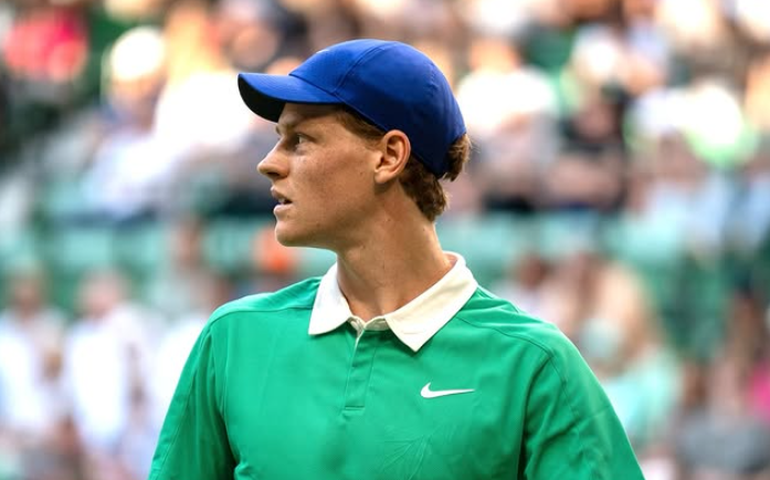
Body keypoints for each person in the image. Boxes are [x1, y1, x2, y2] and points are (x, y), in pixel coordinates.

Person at [148, 39, 645, 480]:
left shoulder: (534, 365)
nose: (269, 161)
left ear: (388, 156)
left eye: (300, 140)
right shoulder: (232, 339)